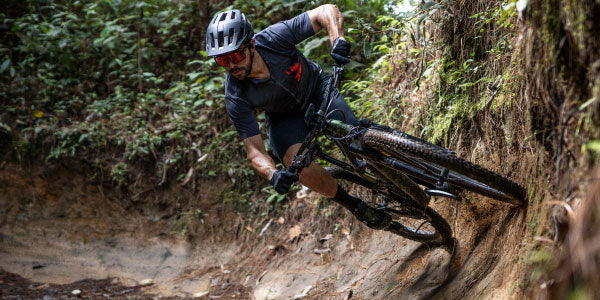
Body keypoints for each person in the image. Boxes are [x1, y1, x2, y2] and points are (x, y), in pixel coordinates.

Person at [205, 5, 390, 229]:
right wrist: (272, 175)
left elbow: (326, 11)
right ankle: (355, 205)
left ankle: (395, 166)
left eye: (235, 55)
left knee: (355, 137)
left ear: (251, 44)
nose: (231, 65)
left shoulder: (273, 39)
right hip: (284, 117)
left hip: (316, 89)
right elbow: (254, 151)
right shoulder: (235, 95)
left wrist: (337, 40)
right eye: (222, 61)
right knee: (296, 164)